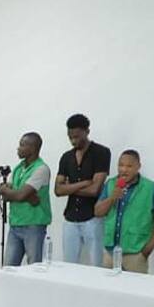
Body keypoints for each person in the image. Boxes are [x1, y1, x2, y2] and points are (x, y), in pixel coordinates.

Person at [95, 149, 154, 273]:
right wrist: (112, 198)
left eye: (129, 166)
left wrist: (147, 249)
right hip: (110, 253)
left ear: (138, 167)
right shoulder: (111, 184)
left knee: (135, 285)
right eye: (121, 165)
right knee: (107, 285)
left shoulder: (151, 188)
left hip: (135, 254)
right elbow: (97, 212)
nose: (123, 170)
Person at [54, 114, 111, 267]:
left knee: (96, 265)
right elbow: (58, 190)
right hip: (70, 218)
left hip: (93, 217)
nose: (73, 141)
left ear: (87, 131)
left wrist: (69, 187)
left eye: (77, 137)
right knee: (68, 266)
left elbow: (94, 190)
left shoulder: (101, 152)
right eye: (70, 137)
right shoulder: (66, 157)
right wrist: (83, 183)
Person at [0, 132, 51, 266]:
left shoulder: (41, 169)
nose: (18, 148)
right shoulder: (18, 168)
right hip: (15, 224)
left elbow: (18, 195)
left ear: (32, 148)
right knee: (9, 268)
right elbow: (8, 195)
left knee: (34, 268)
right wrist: (25, 196)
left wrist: (14, 193)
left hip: (33, 226)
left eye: (22, 145)